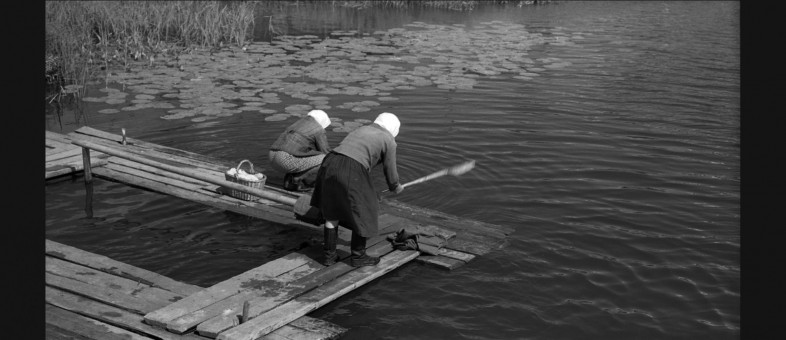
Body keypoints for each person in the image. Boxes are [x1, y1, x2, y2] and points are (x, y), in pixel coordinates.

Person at [311, 112, 405, 267]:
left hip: (330, 162)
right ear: (394, 128)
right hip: (351, 167)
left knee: (332, 211)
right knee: (365, 209)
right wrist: (395, 187)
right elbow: (390, 170)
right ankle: (358, 256)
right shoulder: (388, 139)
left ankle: (329, 257)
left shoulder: (362, 129)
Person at [269, 110, 332, 192]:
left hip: (272, 156)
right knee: (327, 159)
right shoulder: (318, 129)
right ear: (322, 121)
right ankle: (297, 179)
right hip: (284, 160)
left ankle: (289, 182)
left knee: (306, 155)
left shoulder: (298, 123)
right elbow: (325, 151)